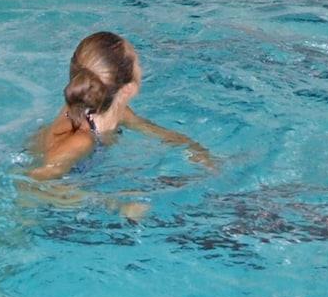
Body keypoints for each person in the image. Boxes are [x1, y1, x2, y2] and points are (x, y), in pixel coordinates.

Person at [27, 32, 212, 219]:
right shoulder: (81, 140)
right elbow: (32, 184)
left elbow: (161, 134)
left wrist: (197, 151)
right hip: (39, 212)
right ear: (129, 89)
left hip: (76, 183)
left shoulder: (117, 112)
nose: (141, 67)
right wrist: (115, 204)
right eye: (138, 63)